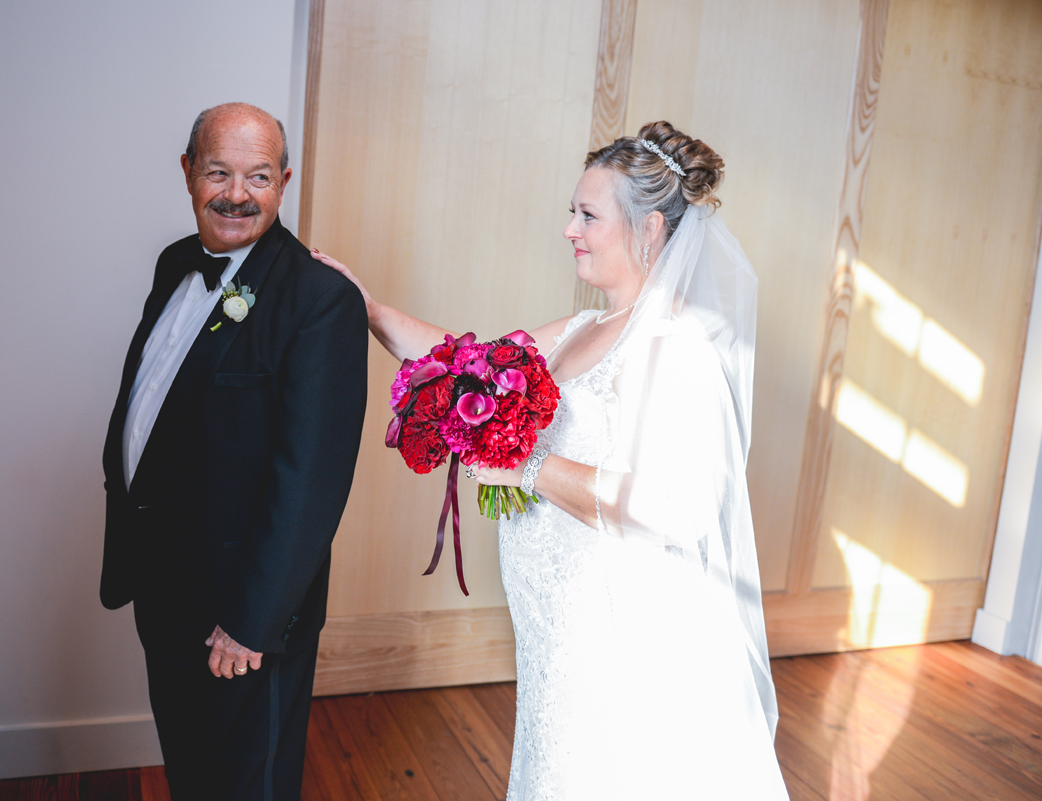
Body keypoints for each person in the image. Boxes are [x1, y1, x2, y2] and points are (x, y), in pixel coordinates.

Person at [314, 121, 789, 799]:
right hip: (556, 628)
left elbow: (670, 506)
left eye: (588, 215)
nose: (570, 229)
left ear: (649, 231)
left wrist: (528, 467)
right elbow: (464, 365)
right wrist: (367, 308)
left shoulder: (675, 345)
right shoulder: (580, 329)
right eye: (574, 212)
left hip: (621, 631)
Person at [100, 103, 368, 800]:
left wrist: (252, 620)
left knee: (249, 787)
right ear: (188, 172)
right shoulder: (172, 264)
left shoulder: (319, 300)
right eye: (219, 171)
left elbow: (310, 481)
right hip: (165, 589)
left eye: (257, 177)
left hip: (243, 613)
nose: (236, 194)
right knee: (193, 773)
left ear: (284, 181)